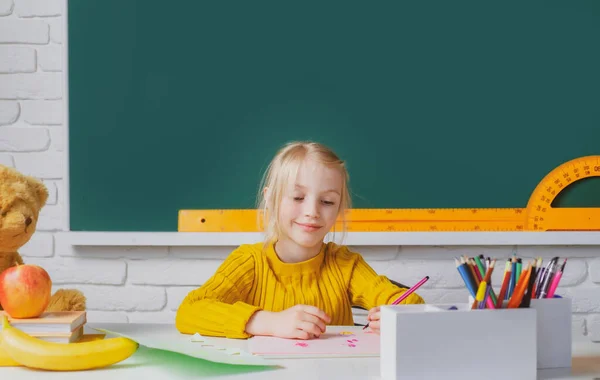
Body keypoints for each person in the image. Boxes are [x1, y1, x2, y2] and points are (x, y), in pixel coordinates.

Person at [175, 141, 424, 339]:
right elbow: (189, 312)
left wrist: (398, 316)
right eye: (297, 197)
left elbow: (411, 301)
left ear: (338, 209)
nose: (312, 212)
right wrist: (269, 322)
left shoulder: (345, 264)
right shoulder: (250, 262)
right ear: (271, 199)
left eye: (327, 202)